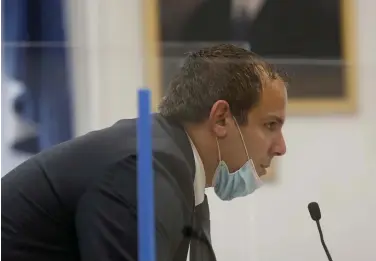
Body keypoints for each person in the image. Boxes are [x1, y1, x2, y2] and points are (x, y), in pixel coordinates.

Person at [1, 44, 287, 261]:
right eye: (270, 125)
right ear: (222, 118)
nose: (281, 147)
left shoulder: (173, 165)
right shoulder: (142, 173)